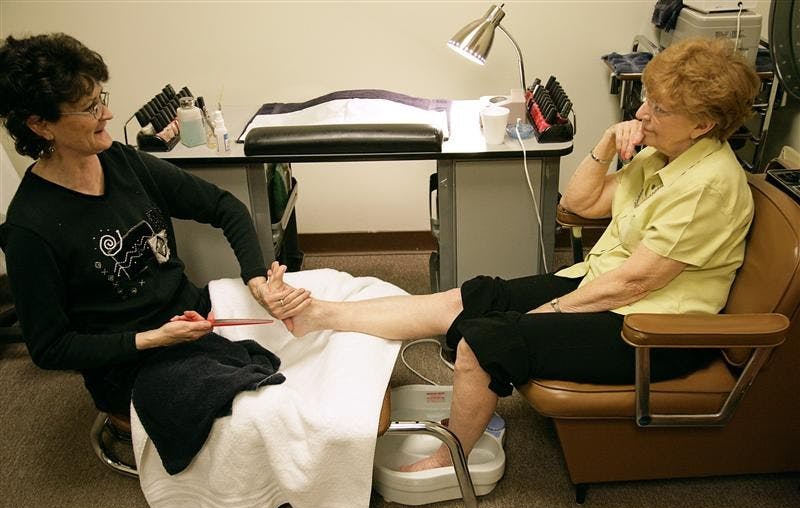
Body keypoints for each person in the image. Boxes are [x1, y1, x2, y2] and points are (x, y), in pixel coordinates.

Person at [262, 36, 762, 472]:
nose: (642, 115)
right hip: (602, 282)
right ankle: (319, 315)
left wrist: (552, 311)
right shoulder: (661, 154)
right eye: (646, 101)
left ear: (704, 125)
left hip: (653, 330)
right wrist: (608, 141)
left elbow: (637, 283)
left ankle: (451, 455)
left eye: (660, 110)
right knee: (470, 297)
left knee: (482, 343)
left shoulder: (708, 186)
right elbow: (577, 205)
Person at [0, 33, 277, 417]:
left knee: (332, 304)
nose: (107, 115)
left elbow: (224, 205)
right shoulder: (30, 228)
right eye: (89, 108)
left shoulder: (122, 161)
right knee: (265, 408)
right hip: (132, 364)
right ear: (41, 125)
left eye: (102, 100)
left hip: (190, 317)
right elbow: (50, 348)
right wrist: (152, 339)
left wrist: (257, 279)